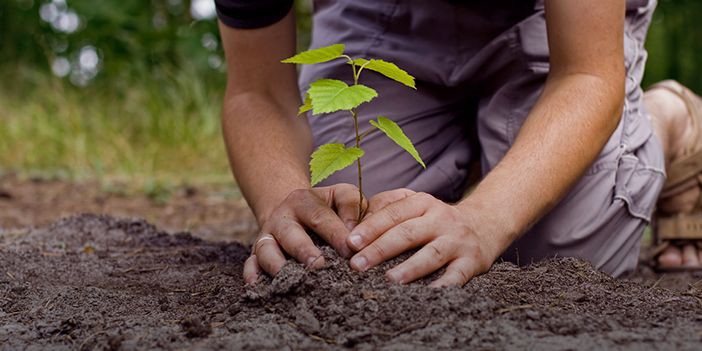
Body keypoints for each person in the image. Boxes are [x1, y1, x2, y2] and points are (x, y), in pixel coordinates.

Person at [215, 0, 702, 286]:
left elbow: (587, 73)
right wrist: (283, 198)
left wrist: (486, 219)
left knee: (557, 255)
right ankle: (485, 150)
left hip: (557, 18)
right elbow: (257, 91)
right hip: (380, 10)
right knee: (352, 230)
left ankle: (671, 121)